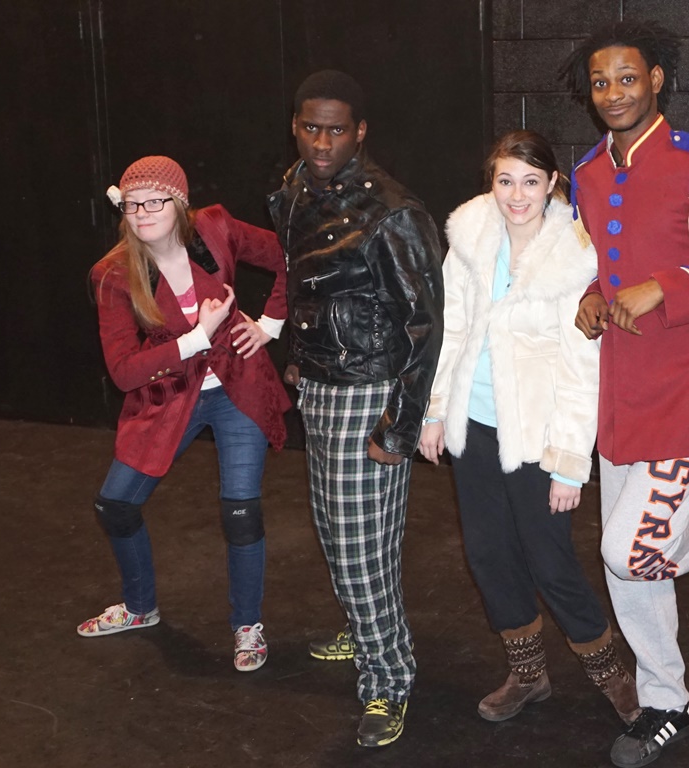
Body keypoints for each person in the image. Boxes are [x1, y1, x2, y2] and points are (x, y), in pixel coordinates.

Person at [561, 20, 689, 768]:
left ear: (655, 80)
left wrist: (667, 288)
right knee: (628, 567)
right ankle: (666, 701)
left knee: (628, 551)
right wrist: (590, 296)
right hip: (620, 393)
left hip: (688, 392)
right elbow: (595, 264)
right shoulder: (586, 171)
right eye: (600, 82)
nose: (613, 92)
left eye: (627, 78)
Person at [418, 130, 640, 728]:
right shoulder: (470, 236)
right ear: (491, 182)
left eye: (530, 181)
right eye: (505, 180)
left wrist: (569, 461)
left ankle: (612, 676)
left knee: (550, 560)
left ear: (552, 185)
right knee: (489, 554)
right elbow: (451, 330)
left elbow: (580, 371)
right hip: (475, 427)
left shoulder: (575, 257)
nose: (517, 195)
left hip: (539, 439)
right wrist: (435, 411)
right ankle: (528, 673)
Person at [265, 70, 444, 747]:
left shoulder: (392, 212)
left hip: (369, 392)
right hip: (319, 385)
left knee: (361, 547)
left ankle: (389, 678)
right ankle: (367, 629)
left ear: (360, 132)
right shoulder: (295, 189)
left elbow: (427, 325)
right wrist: (299, 357)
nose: (321, 142)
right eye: (310, 127)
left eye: (336, 130)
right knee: (338, 531)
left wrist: (400, 426)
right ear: (295, 126)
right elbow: (305, 283)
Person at [79, 156, 291, 675]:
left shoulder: (216, 228)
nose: (143, 213)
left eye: (155, 201)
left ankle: (247, 625)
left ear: (179, 203)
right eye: (133, 204)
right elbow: (124, 372)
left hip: (238, 383)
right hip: (171, 394)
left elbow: (292, 255)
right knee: (115, 505)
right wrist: (197, 337)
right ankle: (140, 607)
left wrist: (270, 323)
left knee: (241, 511)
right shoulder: (113, 274)